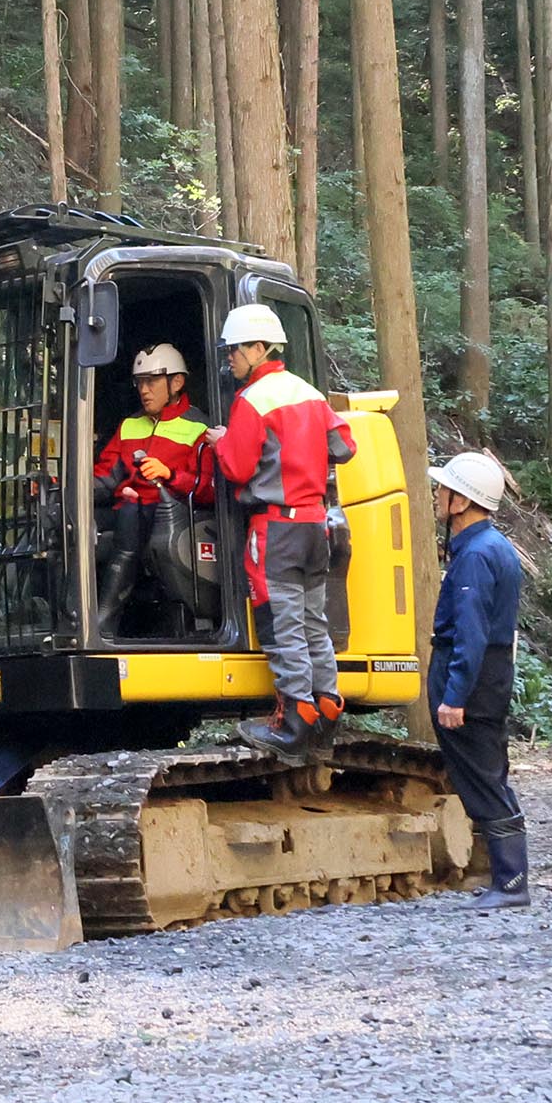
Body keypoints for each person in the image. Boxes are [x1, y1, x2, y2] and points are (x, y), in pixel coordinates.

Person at [208, 302, 354, 762]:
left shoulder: (251, 401)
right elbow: (345, 447)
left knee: (283, 626)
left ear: (258, 348)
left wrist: (219, 442)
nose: (230, 357)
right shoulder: (309, 392)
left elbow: (236, 466)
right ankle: (326, 708)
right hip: (315, 524)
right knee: (315, 624)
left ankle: (293, 722)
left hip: (276, 529)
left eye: (235, 349)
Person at [428, 449, 529, 910]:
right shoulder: (491, 547)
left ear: (461, 502)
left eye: (442, 488)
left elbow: (470, 631)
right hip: (489, 673)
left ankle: (511, 885)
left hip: (474, 676)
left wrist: (454, 696)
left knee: (485, 778)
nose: (436, 494)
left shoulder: (475, 556)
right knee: (490, 772)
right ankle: (505, 880)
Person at [92, 343, 211, 634]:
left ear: (177, 382)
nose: (143, 390)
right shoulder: (130, 425)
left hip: (169, 512)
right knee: (70, 521)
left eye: (152, 381)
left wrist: (169, 474)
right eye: (139, 382)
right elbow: (106, 477)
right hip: (127, 509)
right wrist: (64, 489)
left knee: (130, 515)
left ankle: (102, 625)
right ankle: (65, 615)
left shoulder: (199, 428)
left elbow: (207, 488)